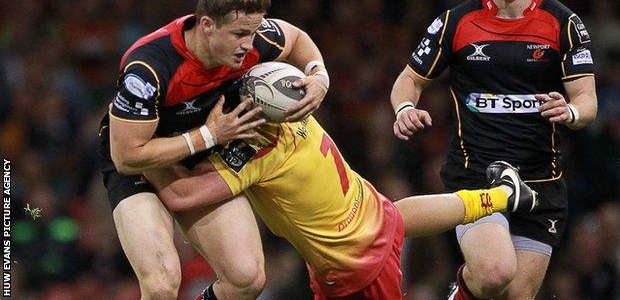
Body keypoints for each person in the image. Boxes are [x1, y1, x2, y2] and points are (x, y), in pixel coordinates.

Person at [98, 0, 331, 300]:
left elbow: (295, 38)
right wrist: (209, 134)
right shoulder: (149, 67)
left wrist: (318, 76)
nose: (249, 45)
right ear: (207, 25)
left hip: (202, 159)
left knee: (246, 279)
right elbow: (127, 155)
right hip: (141, 167)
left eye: (252, 33)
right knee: (162, 286)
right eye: (239, 35)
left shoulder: (252, 37)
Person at [145, 112, 538, 300]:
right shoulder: (299, 112)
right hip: (368, 213)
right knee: (397, 217)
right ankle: (504, 194)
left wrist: (140, 152)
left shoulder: (258, 155)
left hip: (357, 267)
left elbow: (181, 196)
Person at [391, 0, 597, 299]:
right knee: (494, 273)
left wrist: (570, 112)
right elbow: (408, 81)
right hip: (477, 177)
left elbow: (586, 99)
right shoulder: (457, 21)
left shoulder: (563, 22)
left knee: (513, 295)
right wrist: (405, 108)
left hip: (539, 185)